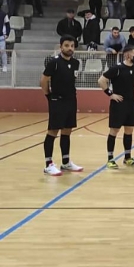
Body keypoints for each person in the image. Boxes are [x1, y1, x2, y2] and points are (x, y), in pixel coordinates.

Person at [40, 35, 84, 176]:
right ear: (61, 47)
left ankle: (66, 162)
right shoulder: (54, 62)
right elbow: (44, 80)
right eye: (66, 45)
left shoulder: (76, 63)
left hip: (71, 100)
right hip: (57, 100)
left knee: (67, 131)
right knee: (53, 131)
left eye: (72, 46)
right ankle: (48, 164)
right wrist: (48, 96)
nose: (69, 48)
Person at [98, 44, 134, 169]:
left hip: (130, 104)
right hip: (118, 104)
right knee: (114, 131)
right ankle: (110, 159)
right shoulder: (117, 68)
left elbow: (133, 83)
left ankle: (127, 158)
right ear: (127, 55)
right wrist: (110, 94)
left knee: (129, 130)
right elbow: (101, 80)